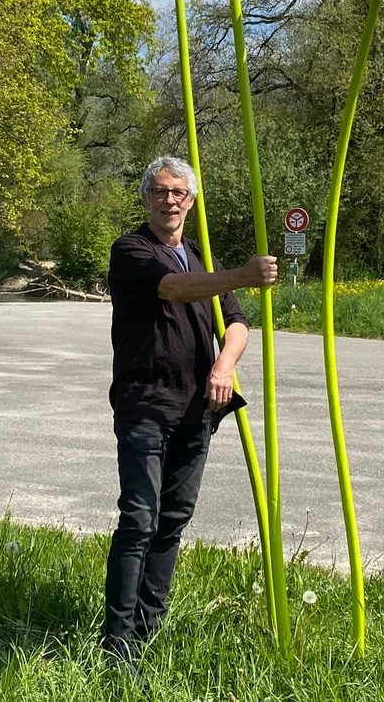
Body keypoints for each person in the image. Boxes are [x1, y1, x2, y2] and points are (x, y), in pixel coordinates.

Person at [102, 154, 278, 662]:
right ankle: (118, 646)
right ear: (146, 199)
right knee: (139, 518)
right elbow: (173, 290)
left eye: (179, 193)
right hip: (146, 404)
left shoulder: (200, 256)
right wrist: (243, 275)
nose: (170, 201)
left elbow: (238, 322)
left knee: (173, 518)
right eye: (160, 192)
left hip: (198, 406)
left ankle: (148, 631)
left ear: (191, 200)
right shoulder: (132, 249)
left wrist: (224, 365)